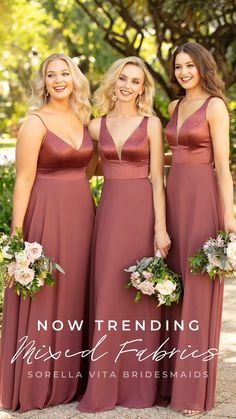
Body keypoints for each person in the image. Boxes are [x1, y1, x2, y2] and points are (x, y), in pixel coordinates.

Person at [0, 53, 95, 412]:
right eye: (51, 75)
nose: (58, 80)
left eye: (64, 73)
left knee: (76, 291)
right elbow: (23, 180)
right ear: (44, 82)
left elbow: (101, 163)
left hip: (83, 213)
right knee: (45, 292)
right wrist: (18, 237)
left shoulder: (85, 118)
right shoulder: (35, 122)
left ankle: (73, 378)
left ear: (75, 79)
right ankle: (38, 383)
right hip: (46, 212)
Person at [77, 56, 171, 413]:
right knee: (108, 293)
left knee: (139, 295)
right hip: (109, 213)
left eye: (135, 81)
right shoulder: (96, 126)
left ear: (142, 88)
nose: (127, 86)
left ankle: (138, 388)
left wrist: (160, 229)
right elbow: (82, 172)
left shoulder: (151, 125)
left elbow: (157, 180)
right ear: (113, 83)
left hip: (142, 212)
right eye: (122, 79)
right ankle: (102, 386)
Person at [159, 42, 236, 416]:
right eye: (178, 67)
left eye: (190, 65)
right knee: (172, 284)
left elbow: (222, 165)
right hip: (174, 198)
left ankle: (193, 392)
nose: (184, 72)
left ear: (203, 66)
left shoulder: (216, 106)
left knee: (200, 287)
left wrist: (229, 215)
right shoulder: (174, 107)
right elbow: (171, 154)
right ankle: (170, 381)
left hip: (202, 199)